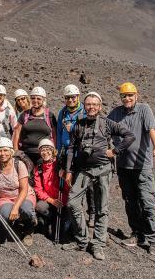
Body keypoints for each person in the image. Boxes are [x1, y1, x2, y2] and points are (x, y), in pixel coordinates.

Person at [62, 92, 135, 261]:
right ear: (84, 105)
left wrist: (115, 151)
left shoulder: (107, 123)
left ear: (100, 107)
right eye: (88, 104)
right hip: (83, 170)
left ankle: (98, 244)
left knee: (102, 209)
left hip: (103, 169)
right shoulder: (78, 124)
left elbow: (130, 136)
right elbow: (72, 148)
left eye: (95, 104)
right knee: (72, 202)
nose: (91, 107)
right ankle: (82, 240)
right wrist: (68, 170)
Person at [108, 82, 155, 256]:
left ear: (136, 95)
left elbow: (152, 129)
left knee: (147, 202)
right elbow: (105, 129)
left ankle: (154, 239)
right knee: (130, 202)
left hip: (142, 165)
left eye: (130, 95)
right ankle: (137, 234)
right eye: (124, 96)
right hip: (124, 166)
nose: (127, 98)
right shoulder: (116, 113)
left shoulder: (144, 109)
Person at [56, 84, 95, 227]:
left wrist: (71, 128)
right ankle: (75, 214)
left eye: (73, 97)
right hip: (67, 153)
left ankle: (92, 213)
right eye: (67, 98)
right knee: (71, 183)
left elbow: (86, 130)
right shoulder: (63, 112)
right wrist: (58, 150)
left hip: (81, 153)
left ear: (78, 97)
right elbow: (60, 132)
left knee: (87, 183)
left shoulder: (84, 112)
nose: (70, 100)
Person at [0, 137, 37, 246]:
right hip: (5, 198)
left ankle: (28, 229)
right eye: (0, 150)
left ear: (11, 152)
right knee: (4, 214)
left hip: (24, 195)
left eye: (5, 150)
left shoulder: (19, 165)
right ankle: (16, 226)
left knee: (26, 209)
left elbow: (24, 189)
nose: (2, 153)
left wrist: (15, 207)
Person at [12, 86, 57, 168]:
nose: (35, 100)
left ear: (43, 99)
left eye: (38, 98)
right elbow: (17, 133)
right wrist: (16, 151)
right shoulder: (25, 115)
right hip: (26, 153)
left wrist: (54, 152)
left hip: (44, 154)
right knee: (28, 178)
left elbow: (54, 135)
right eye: (33, 98)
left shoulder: (49, 116)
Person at [34, 139, 68, 239]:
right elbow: (38, 189)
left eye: (48, 149)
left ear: (53, 151)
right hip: (49, 200)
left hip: (63, 200)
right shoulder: (39, 168)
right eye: (42, 150)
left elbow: (68, 188)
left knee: (61, 232)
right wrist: (52, 201)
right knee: (40, 206)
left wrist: (65, 176)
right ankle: (49, 218)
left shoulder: (60, 165)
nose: (45, 152)